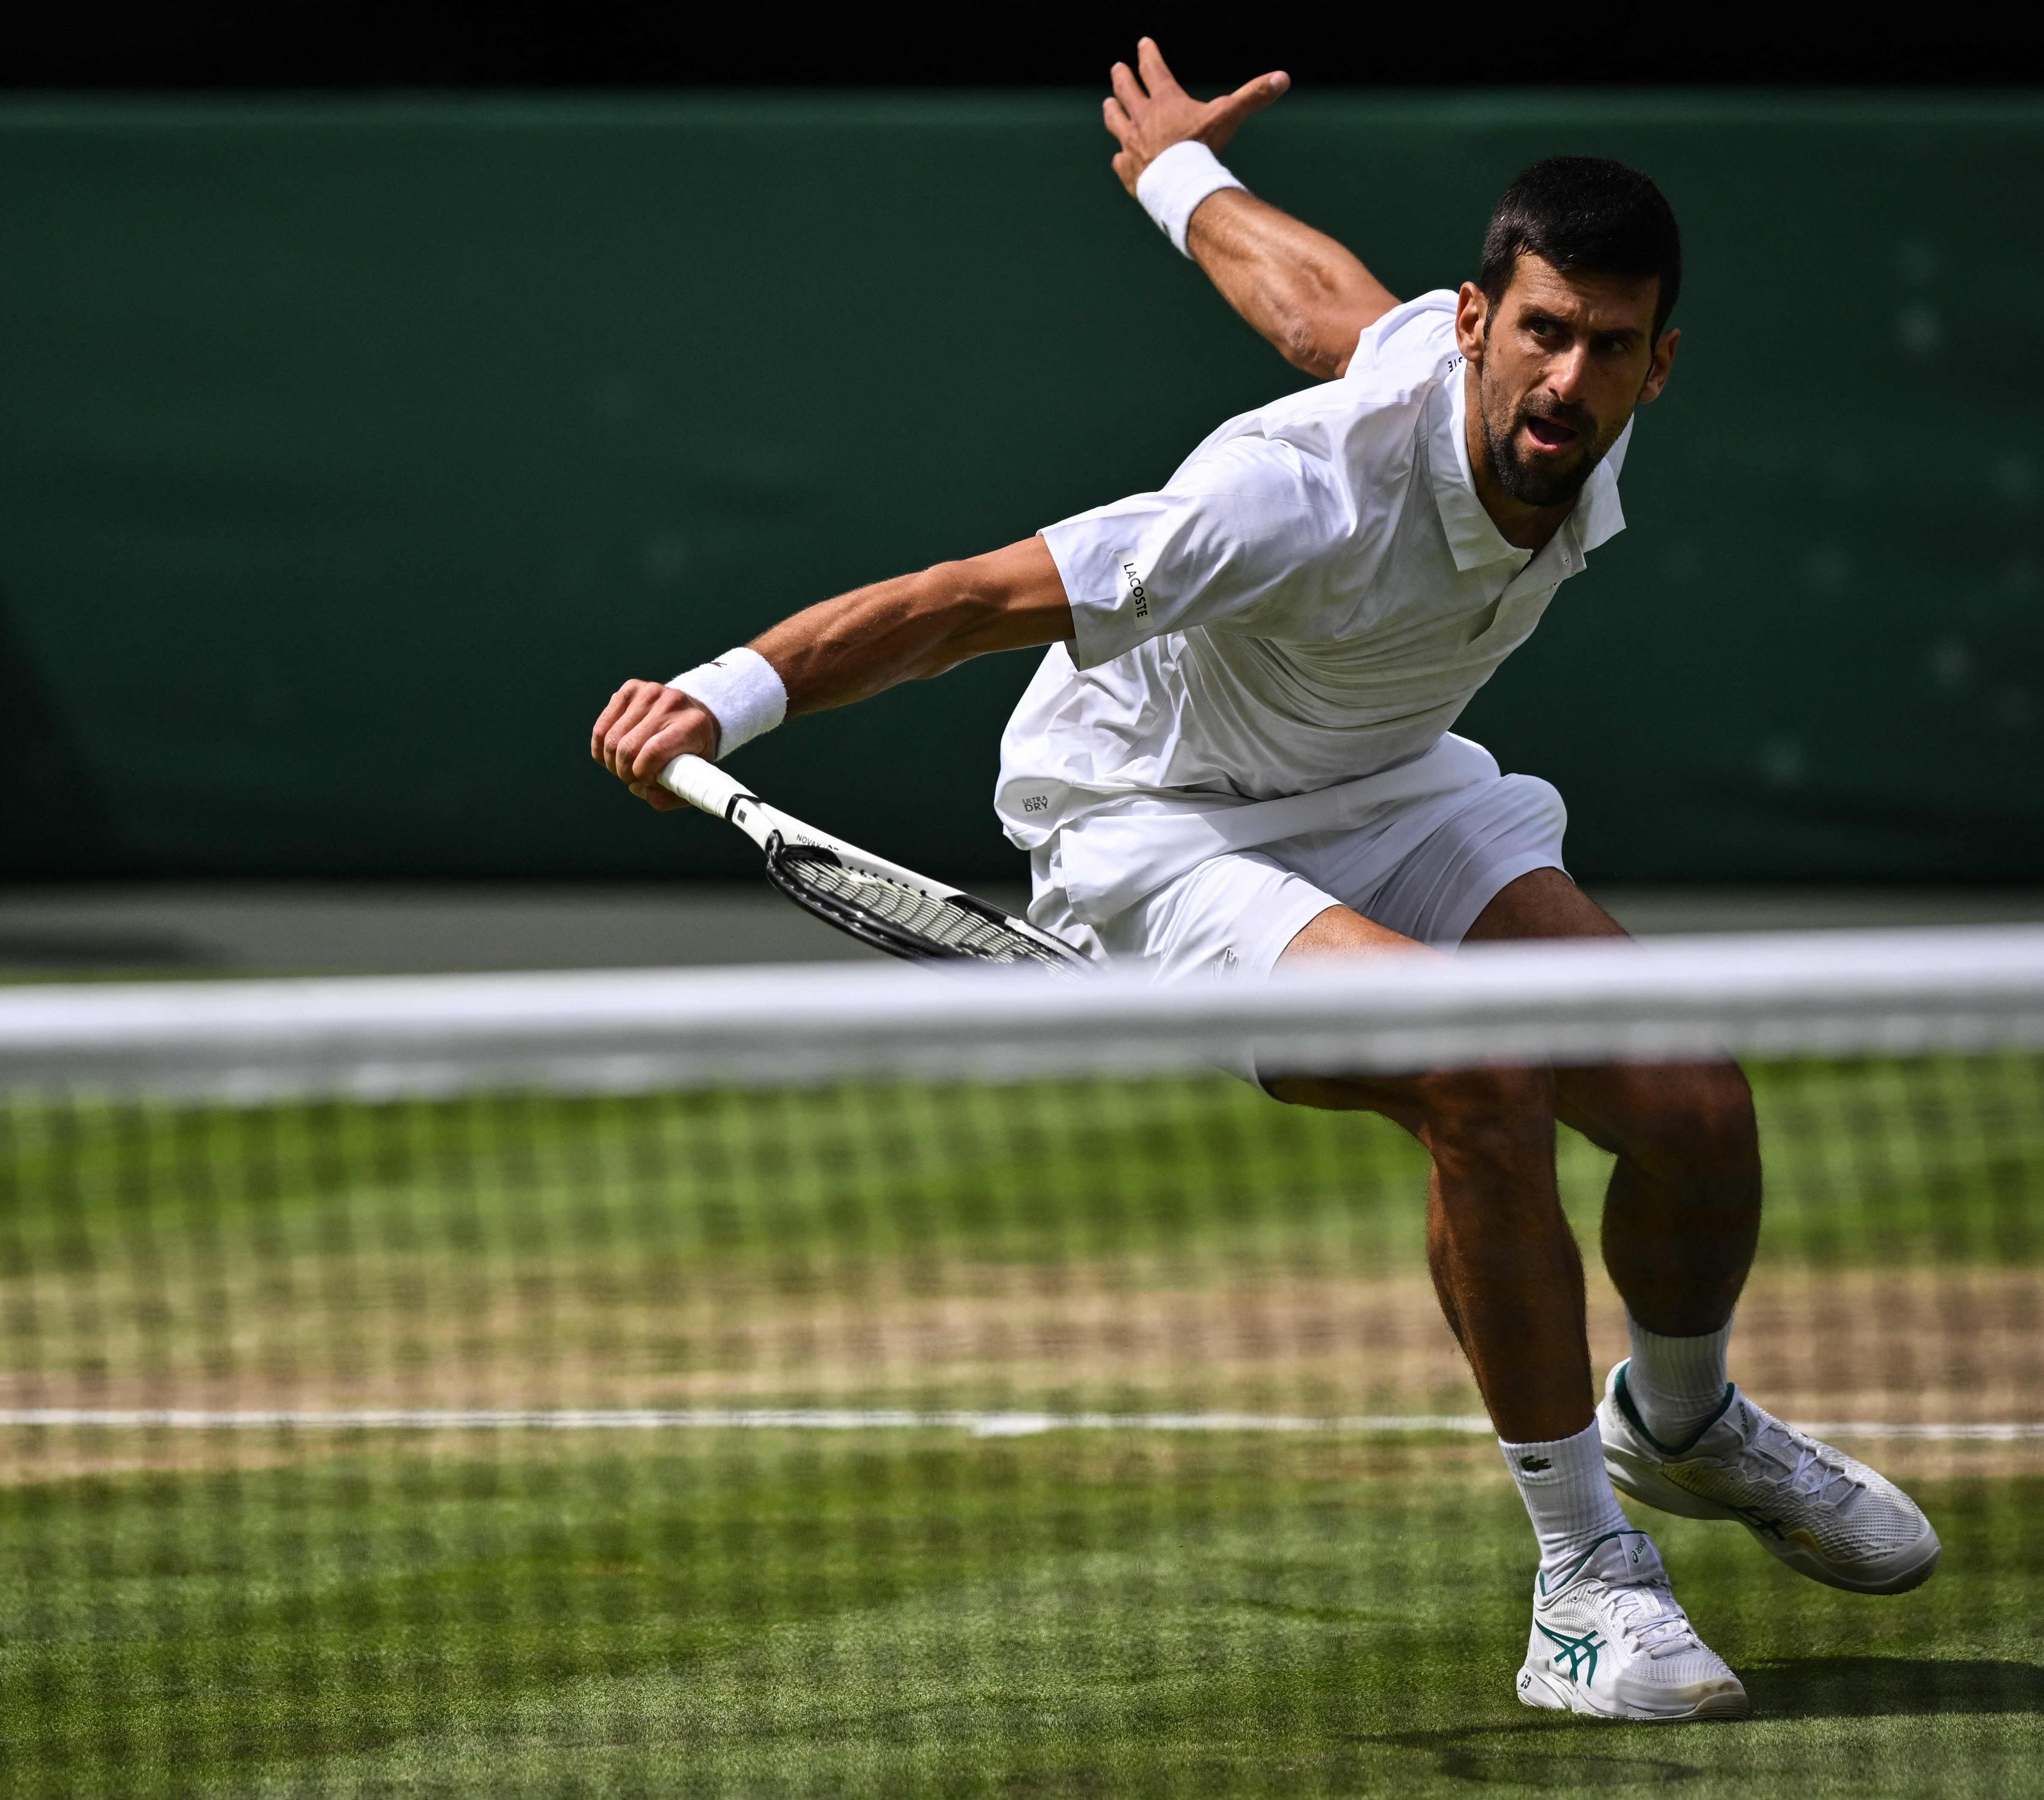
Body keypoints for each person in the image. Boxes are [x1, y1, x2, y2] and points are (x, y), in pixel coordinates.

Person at [591, 39, 1938, 1723]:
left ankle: (1677, 1424)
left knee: (1687, 1098)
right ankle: (1582, 1583)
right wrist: (719, 695)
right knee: (1477, 1065)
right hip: (1156, 825)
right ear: (1477, 322)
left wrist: (1171, 172)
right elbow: (957, 600)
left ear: (1653, 367)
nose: (1564, 377)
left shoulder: (1554, 426)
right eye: (1536, 330)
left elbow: (1315, 301)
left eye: (1603, 346)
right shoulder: (1276, 500)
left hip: (1379, 783)